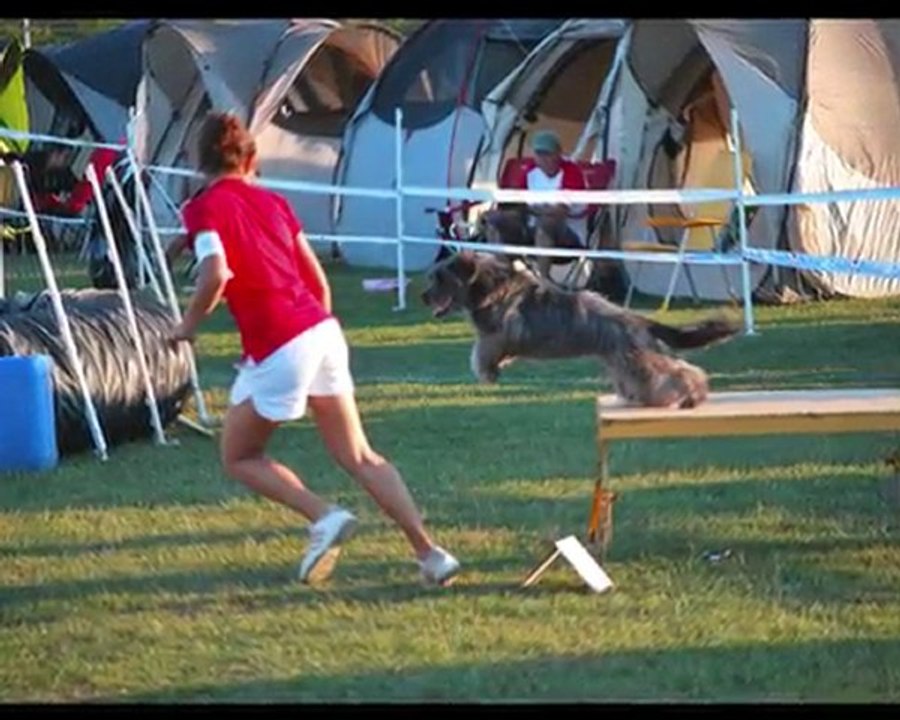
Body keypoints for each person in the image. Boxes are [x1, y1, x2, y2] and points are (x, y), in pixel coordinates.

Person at [170, 111, 460, 587]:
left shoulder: (203, 206)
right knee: (361, 455)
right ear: (252, 159)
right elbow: (316, 281)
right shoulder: (275, 203)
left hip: (281, 339)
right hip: (321, 328)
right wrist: (308, 342)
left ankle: (323, 515)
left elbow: (217, 274)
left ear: (198, 161)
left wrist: (187, 326)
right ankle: (431, 554)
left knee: (239, 457)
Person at [483, 129, 588, 280]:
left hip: (568, 235)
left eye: (548, 153)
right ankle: (505, 275)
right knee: (494, 219)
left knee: (546, 224)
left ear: (558, 153)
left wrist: (533, 210)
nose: (543, 158)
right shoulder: (530, 171)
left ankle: (543, 281)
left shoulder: (571, 172)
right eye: (539, 153)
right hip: (532, 228)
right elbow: (518, 204)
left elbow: (560, 211)